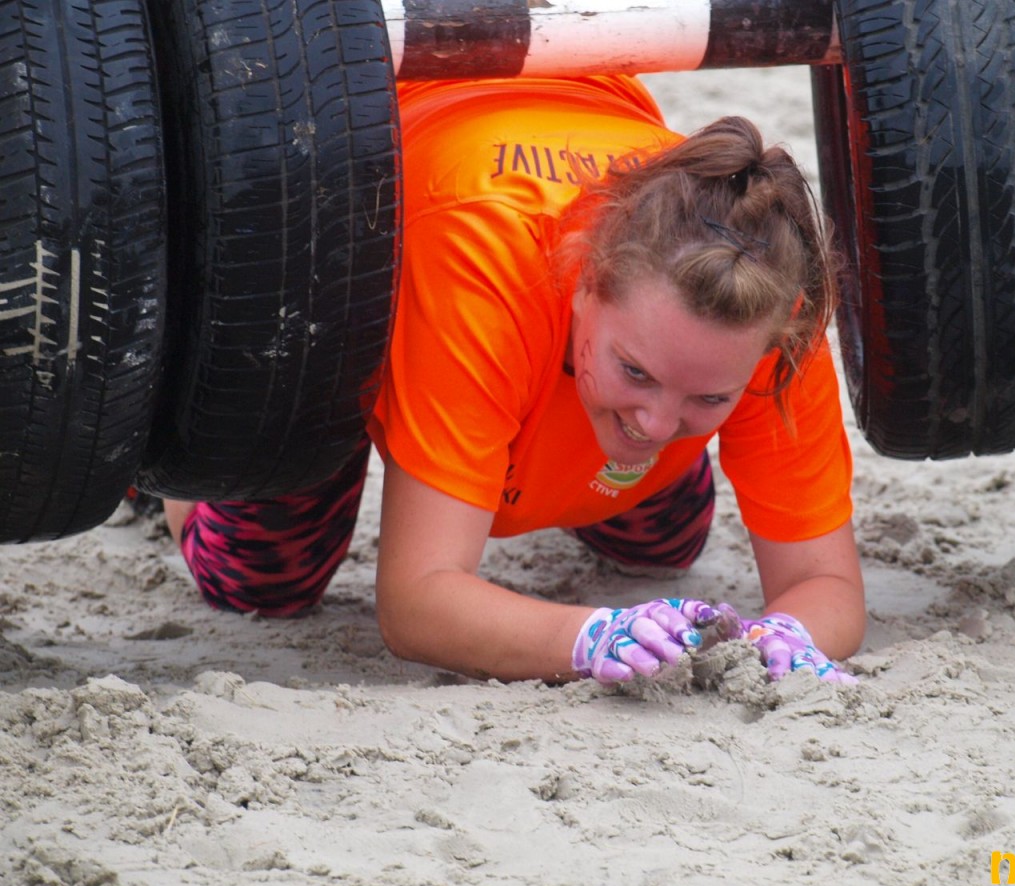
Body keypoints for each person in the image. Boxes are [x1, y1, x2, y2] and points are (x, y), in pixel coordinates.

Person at [162, 74, 866, 686]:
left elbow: (824, 582)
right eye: (636, 371)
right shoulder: (486, 270)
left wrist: (784, 637)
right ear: (583, 278)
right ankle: (164, 475)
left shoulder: (766, 292)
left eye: (711, 396)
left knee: (663, 546)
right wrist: (589, 640)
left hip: (560, 239)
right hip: (362, 282)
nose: (656, 423)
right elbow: (415, 604)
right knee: (263, 578)